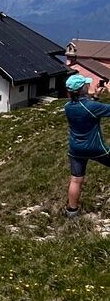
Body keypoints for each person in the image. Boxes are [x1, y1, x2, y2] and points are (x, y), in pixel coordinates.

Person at [64, 74, 110, 216]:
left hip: (75, 148)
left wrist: (95, 97)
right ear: (83, 89)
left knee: (76, 179)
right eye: (86, 84)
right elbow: (93, 109)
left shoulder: (68, 107)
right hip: (95, 147)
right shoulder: (91, 106)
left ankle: (72, 211)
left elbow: (87, 110)